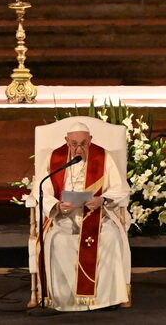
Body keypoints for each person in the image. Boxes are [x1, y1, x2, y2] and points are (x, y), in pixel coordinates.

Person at [34, 122, 131, 313]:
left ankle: (105, 300)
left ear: (91, 141)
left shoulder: (103, 157)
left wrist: (102, 199)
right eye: (74, 144)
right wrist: (57, 205)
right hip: (64, 217)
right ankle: (67, 300)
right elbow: (40, 189)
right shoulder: (54, 158)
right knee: (57, 241)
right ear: (66, 141)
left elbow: (121, 189)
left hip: (97, 215)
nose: (78, 149)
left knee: (110, 237)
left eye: (83, 144)